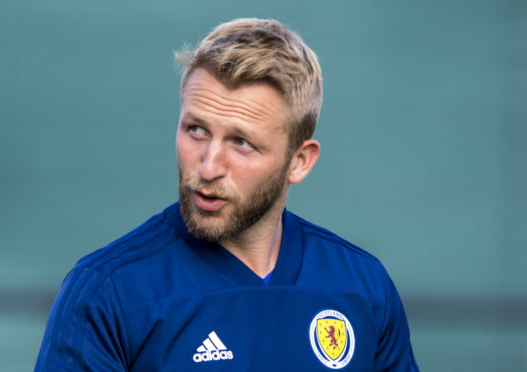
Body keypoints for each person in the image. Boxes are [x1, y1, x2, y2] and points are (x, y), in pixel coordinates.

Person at [35, 18, 418, 371]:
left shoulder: (364, 288)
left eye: (241, 142)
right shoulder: (107, 293)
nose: (208, 167)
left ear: (300, 161)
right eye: (196, 130)